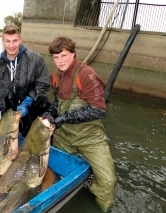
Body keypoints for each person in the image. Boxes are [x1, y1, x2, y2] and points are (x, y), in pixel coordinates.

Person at [41, 36, 116, 212]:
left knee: (108, 180)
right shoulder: (56, 77)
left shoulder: (86, 74)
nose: (60, 61)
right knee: (56, 174)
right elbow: (57, 103)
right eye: (56, 57)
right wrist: (50, 114)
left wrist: (62, 119)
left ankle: (102, 208)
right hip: (64, 136)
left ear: (73, 54)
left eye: (64, 56)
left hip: (90, 136)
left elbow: (98, 109)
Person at [0, 24, 50, 136]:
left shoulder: (36, 59)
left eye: (15, 41)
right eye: (8, 41)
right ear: (3, 41)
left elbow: (43, 84)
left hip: (37, 113)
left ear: (20, 40)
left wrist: (29, 101)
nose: (11, 45)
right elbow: (0, 97)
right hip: (14, 117)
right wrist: (8, 119)